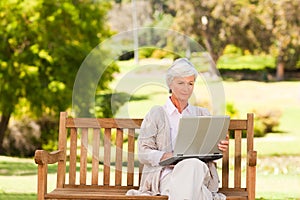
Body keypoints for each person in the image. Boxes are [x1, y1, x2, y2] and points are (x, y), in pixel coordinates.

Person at [126, 58, 229, 200]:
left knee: (192, 165)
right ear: (170, 84)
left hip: (198, 172)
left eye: (190, 83)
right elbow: (144, 153)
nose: (186, 88)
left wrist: (219, 144)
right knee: (195, 192)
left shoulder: (202, 114)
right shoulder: (156, 114)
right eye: (181, 83)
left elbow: (211, 150)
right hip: (168, 174)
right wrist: (168, 156)